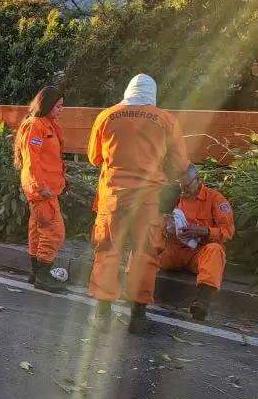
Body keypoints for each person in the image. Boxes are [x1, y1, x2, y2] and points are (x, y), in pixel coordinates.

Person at [87, 74, 189, 334]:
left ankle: (101, 315)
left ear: (127, 91)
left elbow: (94, 156)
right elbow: (180, 164)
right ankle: (138, 317)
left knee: (108, 251)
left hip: (114, 197)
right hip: (148, 199)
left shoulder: (107, 116)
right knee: (144, 254)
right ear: (152, 94)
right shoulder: (166, 120)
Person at [159, 163, 235, 321]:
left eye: (186, 186)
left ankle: (202, 302)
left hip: (198, 252)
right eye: (180, 186)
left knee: (215, 250)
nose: (183, 190)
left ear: (198, 180)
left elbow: (228, 231)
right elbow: (156, 220)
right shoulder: (174, 196)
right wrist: (167, 228)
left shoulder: (215, 199)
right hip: (174, 249)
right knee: (146, 244)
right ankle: (131, 287)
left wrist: (205, 231)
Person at [13, 86, 67, 293]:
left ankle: (37, 273)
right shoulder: (36, 125)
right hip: (42, 189)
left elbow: (49, 158)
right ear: (47, 104)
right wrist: (40, 185)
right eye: (58, 106)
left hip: (46, 187)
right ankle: (44, 275)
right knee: (54, 231)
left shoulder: (47, 125)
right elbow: (31, 158)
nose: (61, 109)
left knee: (38, 229)